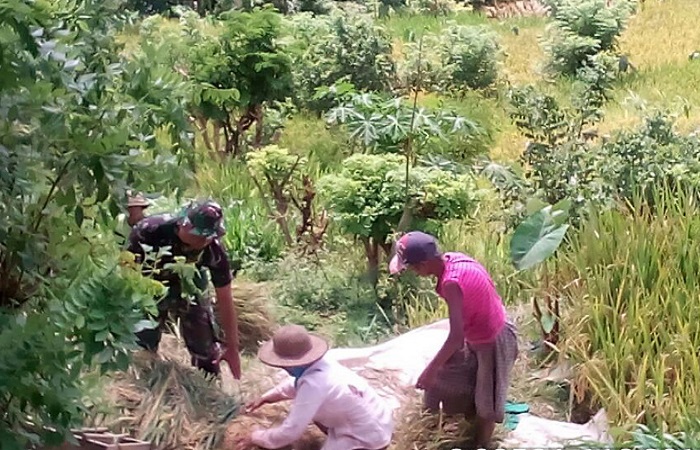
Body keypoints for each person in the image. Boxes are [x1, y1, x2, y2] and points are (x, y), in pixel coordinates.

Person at [389, 231, 518, 449]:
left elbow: (456, 338)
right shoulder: (453, 258)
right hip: (476, 333)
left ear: (422, 265)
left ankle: (482, 444)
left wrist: (429, 370)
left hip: (494, 339)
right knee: (444, 379)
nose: (412, 272)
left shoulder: (451, 283)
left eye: (411, 267)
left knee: (487, 403)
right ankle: (441, 424)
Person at [126, 199, 241, 379]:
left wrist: (233, 348)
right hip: (150, 283)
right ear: (183, 223)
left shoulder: (214, 250)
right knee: (142, 338)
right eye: (198, 235)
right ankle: (144, 378)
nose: (202, 241)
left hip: (190, 285)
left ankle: (208, 384)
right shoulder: (150, 230)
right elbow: (128, 272)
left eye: (207, 237)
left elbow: (225, 299)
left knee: (205, 342)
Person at [240, 324, 394, 450]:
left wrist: (256, 437)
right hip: (380, 421)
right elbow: (293, 386)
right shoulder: (323, 364)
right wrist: (266, 397)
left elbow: (291, 431)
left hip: (366, 438)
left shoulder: (313, 385)